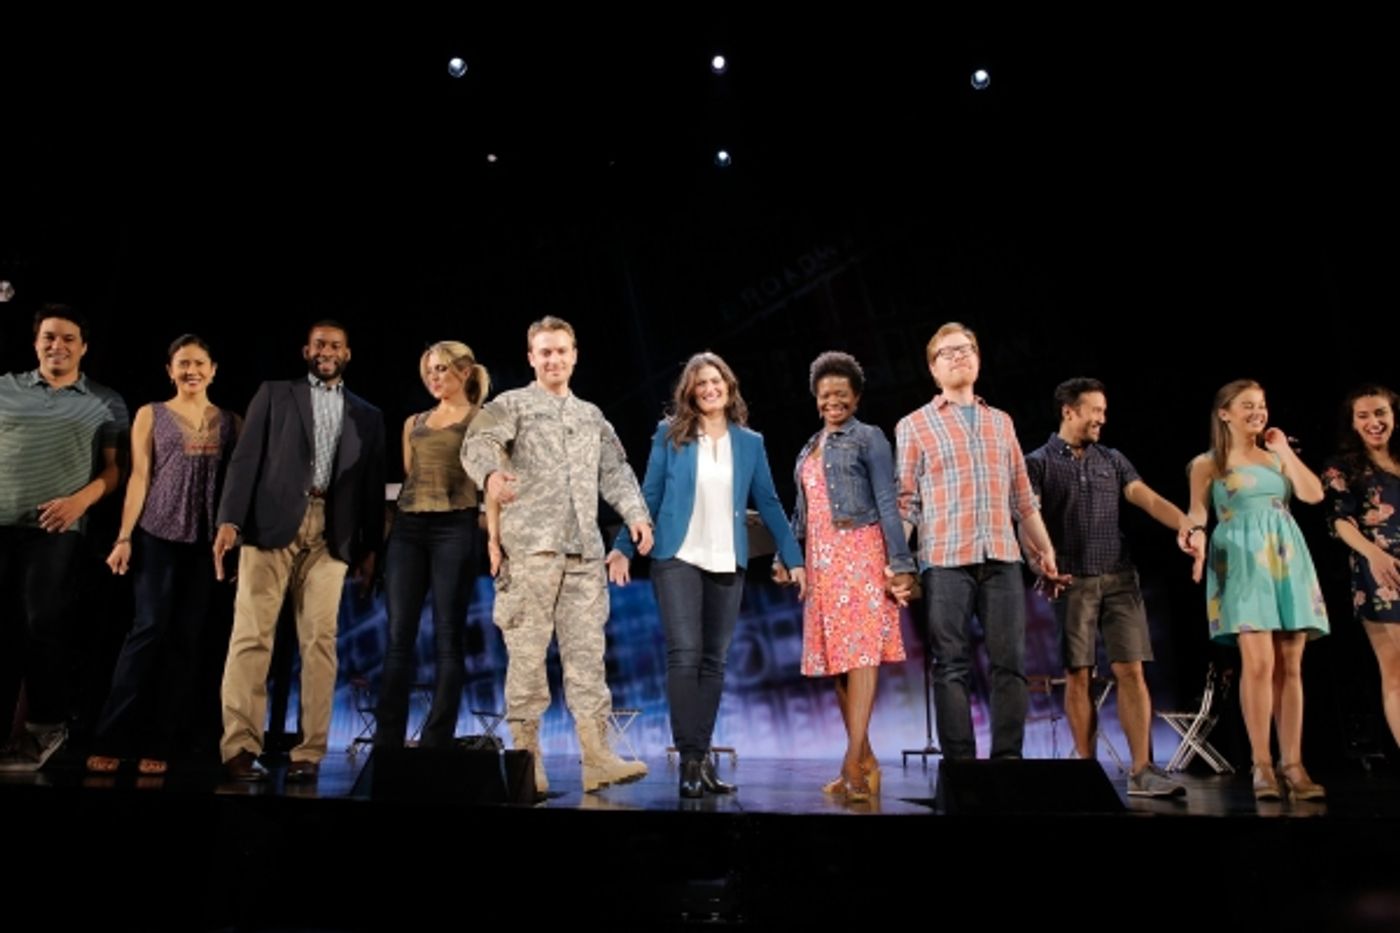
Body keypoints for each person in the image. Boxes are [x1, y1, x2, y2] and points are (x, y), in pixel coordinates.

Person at [461, 315, 652, 794]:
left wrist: (636, 514)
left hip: (583, 554)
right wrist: (490, 476)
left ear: (574, 354)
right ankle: (528, 761)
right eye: (544, 352)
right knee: (526, 659)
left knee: (588, 658)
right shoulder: (512, 406)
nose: (554, 359)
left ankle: (597, 756)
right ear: (531, 357)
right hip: (530, 552)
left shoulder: (591, 415)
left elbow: (615, 469)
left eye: (561, 350)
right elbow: (477, 442)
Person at [605, 352, 805, 798]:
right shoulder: (670, 435)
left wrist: (795, 558)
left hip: (725, 560)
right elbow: (648, 494)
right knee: (685, 653)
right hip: (677, 556)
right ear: (690, 393)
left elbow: (770, 504)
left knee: (714, 661)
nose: (710, 389)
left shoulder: (750, 442)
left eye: (717, 381)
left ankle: (701, 760)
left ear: (729, 387)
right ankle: (690, 762)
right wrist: (622, 548)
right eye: (701, 384)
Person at [213, 321, 386, 783]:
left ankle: (309, 753)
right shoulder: (275, 394)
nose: (327, 351)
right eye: (319, 344)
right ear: (305, 350)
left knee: (320, 643)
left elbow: (371, 487)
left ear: (347, 354)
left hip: (332, 534)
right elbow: (245, 460)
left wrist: (371, 549)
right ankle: (239, 747)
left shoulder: (367, 414)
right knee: (251, 636)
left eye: (335, 345)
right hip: (270, 526)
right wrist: (229, 521)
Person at [1024, 377, 1197, 796]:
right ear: (1069, 411)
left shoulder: (1112, 459)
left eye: (1104, 410)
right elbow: (1026, 517)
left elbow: (1147, 497)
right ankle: (1086, 770)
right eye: (1095, 410)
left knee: (1131, 670)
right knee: (1079, 674)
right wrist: (1038, 561)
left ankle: (1143, 771)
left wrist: (1188, 525)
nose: (1102, 418)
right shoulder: (1038, 462)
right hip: (1072, 580)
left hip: (1119, 576)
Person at [894, 322, 1059, 761]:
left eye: (966, 349)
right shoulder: (914, 425)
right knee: (951, 666)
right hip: (945, 559)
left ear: (979, 359)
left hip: (1003, 556)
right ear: (933, 369)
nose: (958, 357)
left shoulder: (1001, 422)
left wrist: (1044, 550)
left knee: (1011, 664)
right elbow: (906, 501)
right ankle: (961, 766)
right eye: (947, 353)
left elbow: (1022, 498)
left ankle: (1008, 761)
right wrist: (896, 562)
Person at [85, 335, 238, 775]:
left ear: (213, 370)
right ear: (170, 370)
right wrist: (124, 537)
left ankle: (163, 742)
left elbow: (240, 482)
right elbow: (139, 477)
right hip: (157, 532)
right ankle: (111, 737)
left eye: (199, 363)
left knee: (187, 643)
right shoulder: (151, 414)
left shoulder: (231, 420)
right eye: (182, 364)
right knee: (147, 630)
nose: (191, 371)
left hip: (205, 542)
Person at [1186, 378, 1328, 800]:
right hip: (1243, 560)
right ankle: (1262, 765)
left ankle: (1294, 765)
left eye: (1262, 405)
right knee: (1259, 663)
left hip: (1286, 558)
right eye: (1247, 405)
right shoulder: (1208, 462)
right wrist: (1193, 536)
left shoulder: (1278, 458)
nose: (1257, 412)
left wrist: (1282, 448)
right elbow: (1197, 511)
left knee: (1291, 663)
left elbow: (1313, 494)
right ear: (1224, 413)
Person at [0, 305, 128, 771]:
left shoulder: (104, 400)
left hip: (57, 531)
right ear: (36, 342)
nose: (58, 345)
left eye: (69, 338)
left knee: (42, 625)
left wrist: (80, 501)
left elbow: (117, 471)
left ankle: (47, 725)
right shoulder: (4, 389)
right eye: (49, 337)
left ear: (84, 347)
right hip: (1, 524)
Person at [784, 351, 914, 802]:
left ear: (856, 397)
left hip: (859, 553)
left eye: (841, 393)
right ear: (816, 399)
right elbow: (802, 515)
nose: (832, 400)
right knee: (838, 667)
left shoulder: (869, 437)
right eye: (825, 394)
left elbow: (887, 500)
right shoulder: (809, 446)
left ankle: (851, 765)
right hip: (821, 565)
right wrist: (787, 557)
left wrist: (900, 563)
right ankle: (867, 763)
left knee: (860, 657)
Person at [374, 342, 490, 751]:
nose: (435, 377)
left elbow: (487, 479)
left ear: (463, 371)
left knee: (447, 636)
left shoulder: (481, 419)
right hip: (408, 528)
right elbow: (410, 472)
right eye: (429, 371)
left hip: (454, 527)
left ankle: (436, 739)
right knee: (398, 637)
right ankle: (387, 740)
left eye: (442, 369)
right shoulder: (414, 422)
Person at [1321, 384, 1400, 751]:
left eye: (1380, 413)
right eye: (1364, 416)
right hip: (1383, 573)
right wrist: (1375, 554)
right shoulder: (1344, 467)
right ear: (1352, 423)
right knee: (1396, 672)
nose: (1374, 422)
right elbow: (1339, 521)